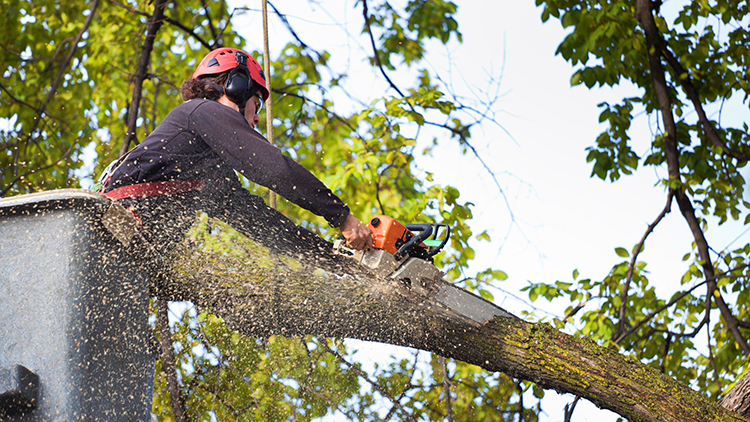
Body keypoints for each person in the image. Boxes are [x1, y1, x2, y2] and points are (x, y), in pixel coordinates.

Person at [101, 47, 372, 260]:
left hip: (127, 250)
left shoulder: (210, 172)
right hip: (111, 229)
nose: (256, 119)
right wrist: (342, 216)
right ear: (237, 87)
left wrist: (334, 258)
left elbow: (262, 224)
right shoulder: (201, 111)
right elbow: (274, 168)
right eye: (257, 103)